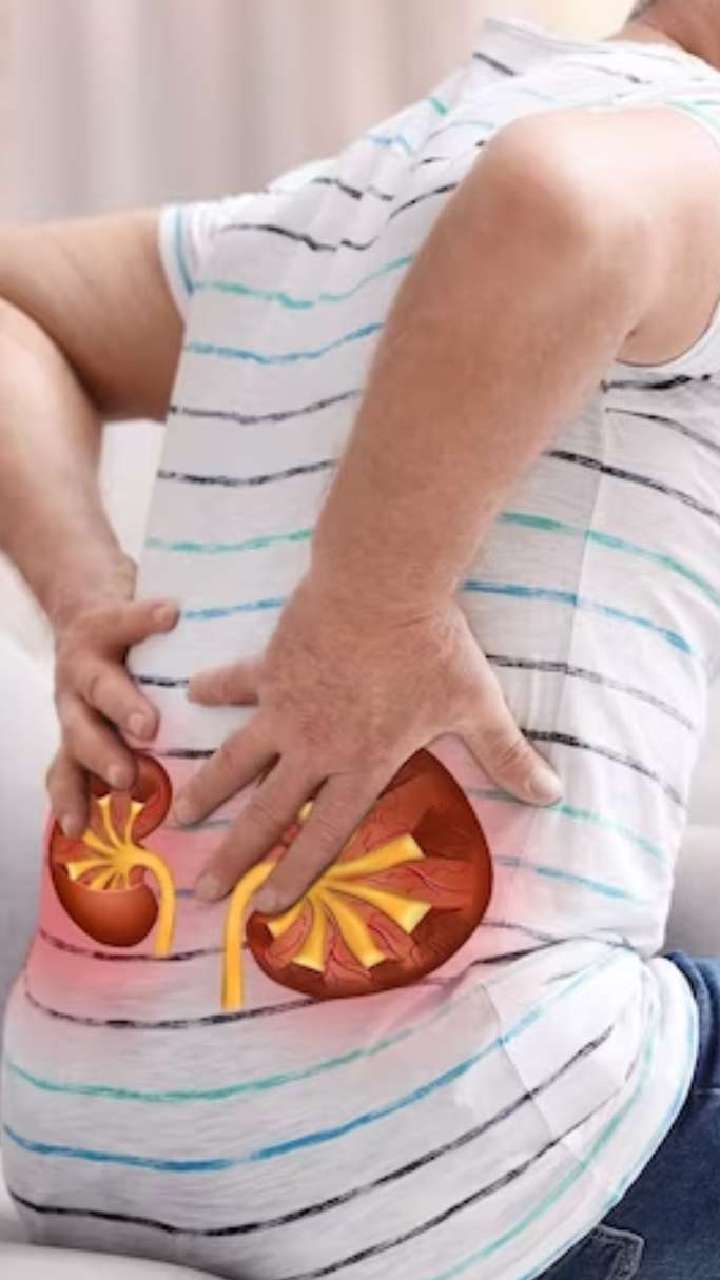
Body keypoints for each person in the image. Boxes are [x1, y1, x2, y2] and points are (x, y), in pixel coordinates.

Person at [2, 1, 720, 1276]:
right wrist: (373, 608)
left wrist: (84, 594)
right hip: (475, 1164)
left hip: (75, 1131)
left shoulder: (324, 209)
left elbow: (17, 299)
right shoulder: (687, 143)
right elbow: (563, 201)